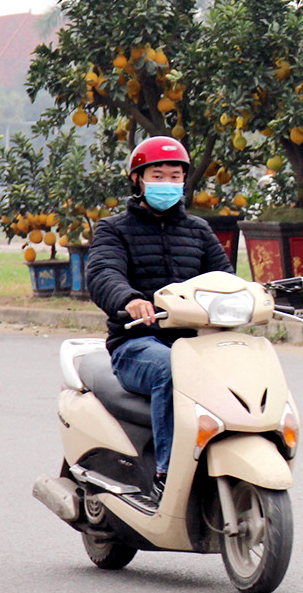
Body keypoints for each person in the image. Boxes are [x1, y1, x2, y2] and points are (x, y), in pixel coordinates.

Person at [87, 136, 233, 505]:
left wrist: (247, 297)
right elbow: (103, 273)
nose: (167, 183)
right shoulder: (114, 229)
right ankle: (167, 475)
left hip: (196, 341)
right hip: (137, 344)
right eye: (158, 174)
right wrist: (129, 299)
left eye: (175, 175)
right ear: (137, 179)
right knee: (172, 370)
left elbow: (224, 280)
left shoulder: (198, 230)